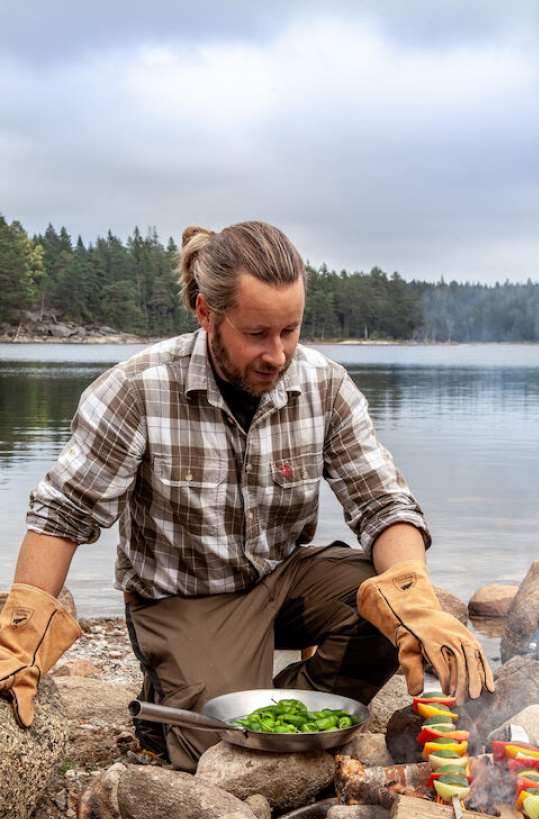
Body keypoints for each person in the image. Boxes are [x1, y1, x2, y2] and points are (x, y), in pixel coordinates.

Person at [0, 221, 493, 770]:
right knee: (221, 751)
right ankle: (176, 697)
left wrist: (412, 595)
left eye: (291, 330)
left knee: (398, 608)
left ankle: (280, 701)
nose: (278, 355)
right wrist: (19, 638)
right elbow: (63, 514)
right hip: (184, 597)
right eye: (257, 334)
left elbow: (382, 503)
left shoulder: (325, 386)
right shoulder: (137, 389)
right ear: (205, 312)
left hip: (282, 579)